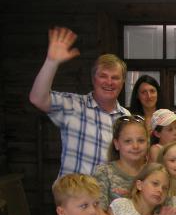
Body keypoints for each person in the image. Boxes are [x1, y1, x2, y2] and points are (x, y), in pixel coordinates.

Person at [29, 27, 130, 177]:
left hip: (108, 192)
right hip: (73, 192)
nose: (109, 82)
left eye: (115, 78)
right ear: (93, 79)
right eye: (103, 76)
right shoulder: (73, 105)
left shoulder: (126, 118)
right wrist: (51, 62)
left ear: (123, 82)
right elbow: (37, 98)